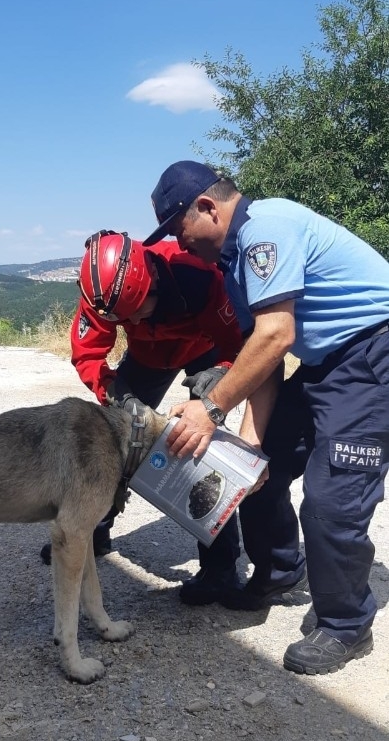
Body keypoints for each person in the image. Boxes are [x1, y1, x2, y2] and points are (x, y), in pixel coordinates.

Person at [143, 159, 389, 675]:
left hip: (373, 354)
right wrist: (251, 444)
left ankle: (345, 623)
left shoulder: (266, 231)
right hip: (328, 363)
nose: (178, 243)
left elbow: (275, 334)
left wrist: (211, 408)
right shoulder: (234, 264)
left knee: (330, 500)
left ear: (207, 207)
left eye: (176, 227)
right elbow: (268, 355)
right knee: (255, 474)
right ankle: (279, 570)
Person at [42, 229, 245, 605]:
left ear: (151, 282)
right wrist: (114, 392)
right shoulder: (103, 293)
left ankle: (220, 571)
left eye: (138, 311)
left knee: (203, 456)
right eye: (124, 317)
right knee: (110, 446)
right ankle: (90, 531)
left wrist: (221, 378)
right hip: (147, 359)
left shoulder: (198, 274)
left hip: (206, 352)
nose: (131, 320)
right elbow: (88, 354)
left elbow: (241, 344)